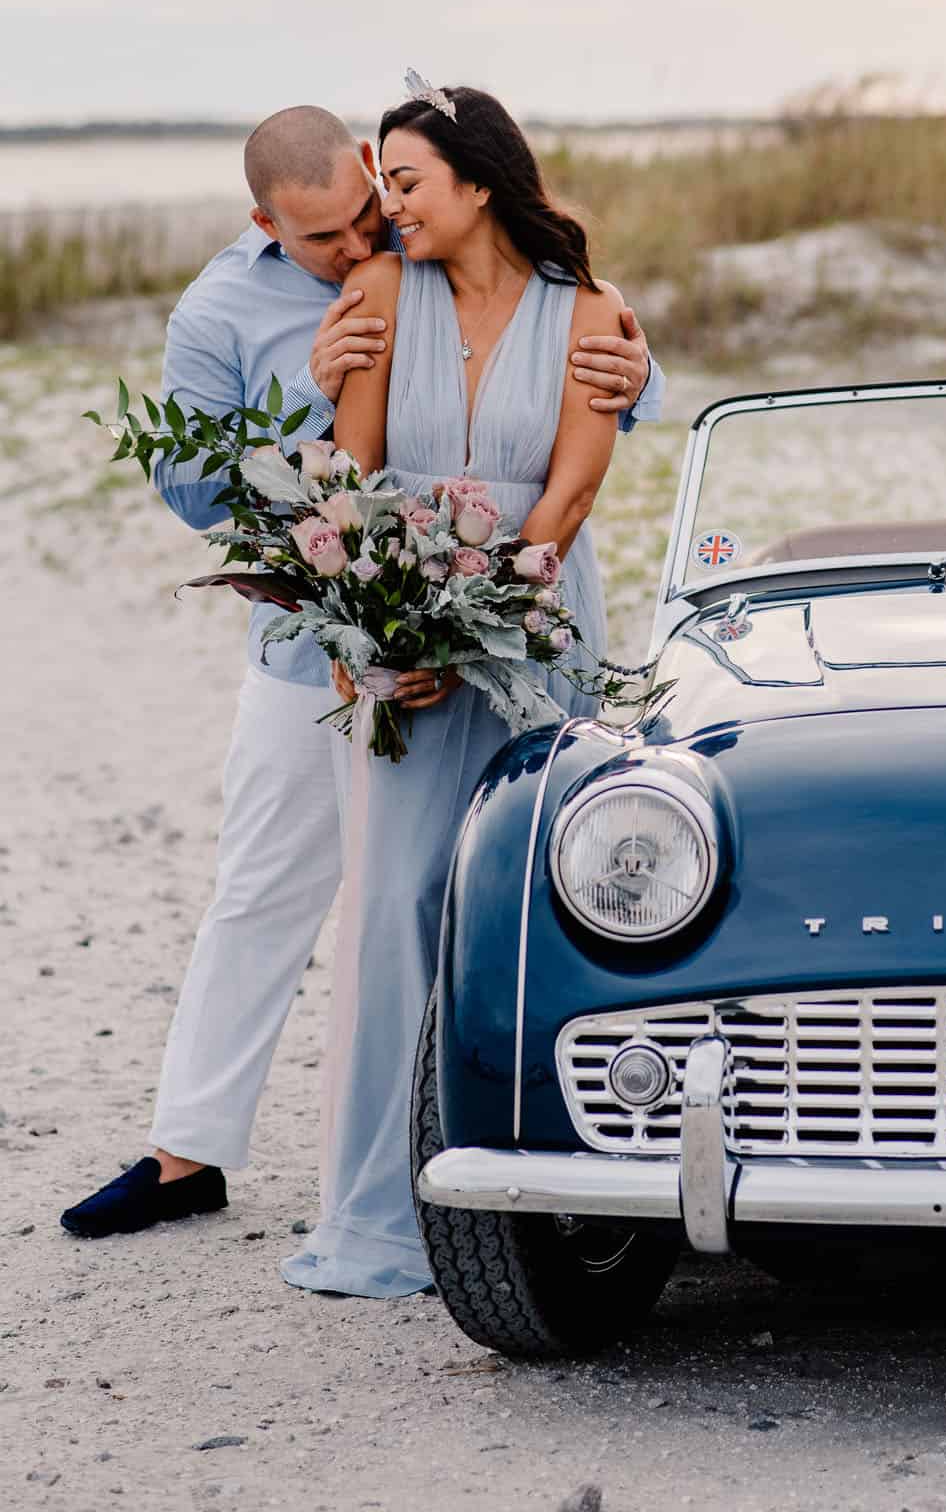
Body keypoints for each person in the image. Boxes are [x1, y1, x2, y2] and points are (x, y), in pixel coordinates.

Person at [60, 104, 662, 1240]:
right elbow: (199, 493)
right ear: (264, 223)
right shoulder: (217, 312)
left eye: (367, 213)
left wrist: (639, 367)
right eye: (327, 237)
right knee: (272, 885)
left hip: (505, 624)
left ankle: (519, 1151)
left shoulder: (414, 233)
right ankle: (187, 1152)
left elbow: (587, 351)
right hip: (316, 642)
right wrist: (311, 410)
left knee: (501, 885)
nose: (360, 243)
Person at [281, 79, 623, 1298]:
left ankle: (553, 1188)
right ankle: (376, 1207)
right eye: (383, 184)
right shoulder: (378, 293)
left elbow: (570, 496)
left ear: (478, 182)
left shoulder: (592, 311)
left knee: (540, 898)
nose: (390, 206)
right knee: (392, 902)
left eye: (409, 183)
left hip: (533, 630)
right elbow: (353, 471)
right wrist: (375, 619)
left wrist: (488, 608)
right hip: (407, 642)